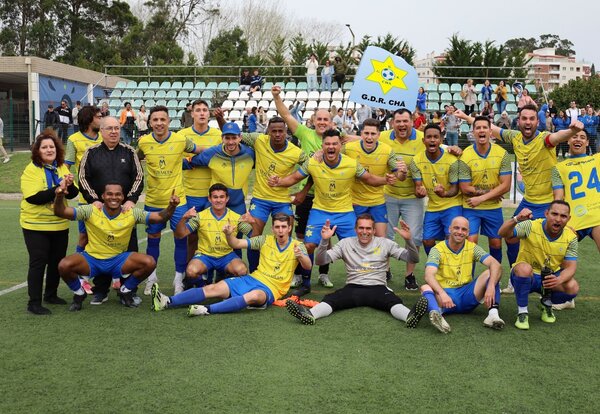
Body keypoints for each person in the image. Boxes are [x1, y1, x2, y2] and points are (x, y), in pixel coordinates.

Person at [455, 105, 584, 289]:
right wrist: (466, 117)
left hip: (549, 203)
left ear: (537, 122)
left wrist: (572, 131)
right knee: (510, 236)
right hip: (529, 201)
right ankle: (515, 277)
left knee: (556, 243)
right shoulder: (515, 137)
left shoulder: (544, 139)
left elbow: (558, 136)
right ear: (519, 121)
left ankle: (563, 286)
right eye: (524, 118)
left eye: (532, 118)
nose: (528, 122)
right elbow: (492, 128)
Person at [268, 129, 397, 295]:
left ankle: (367, 282)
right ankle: (306, 283)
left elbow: (370, 179)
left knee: (360, 246)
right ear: (322, 146)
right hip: (320, 211)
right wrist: (279, 182)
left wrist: (385, 179)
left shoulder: (351, 163)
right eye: (327, 144)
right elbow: (294, 178)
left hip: (345, 212)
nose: (331, 147)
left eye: (334, 144)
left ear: (340, 145)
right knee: (308, 245)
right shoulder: (313, 162)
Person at [150, 213, 312, 316]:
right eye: (277, 227)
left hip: (272, 289)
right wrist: (228, 235)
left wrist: (301, 256)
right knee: (213, 288)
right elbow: (237, 243)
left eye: (284, 227)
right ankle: (166, 301)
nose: (280, 230)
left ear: (289, 228)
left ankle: (206, 310)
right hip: (252, 279)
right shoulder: (264, 240)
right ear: (273, 229)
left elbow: (308, 266)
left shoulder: (297, 245)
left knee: (254, 296)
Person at [54, 182, 180, 311]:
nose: (114, 197)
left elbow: (159, 217)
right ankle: (79, 293)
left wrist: (171, 206)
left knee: (149, 262)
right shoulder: (91, 210)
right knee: (64, 265)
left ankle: (126, 290)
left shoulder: (131, 213)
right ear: (103, 196)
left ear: (123, 197)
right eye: (109, 194)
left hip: (119, 260)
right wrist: (59, 196)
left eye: (118, 194)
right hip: (92, 259)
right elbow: (60, 211)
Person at [286, 215, 428, 327]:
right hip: (353, 287)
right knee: (331, 299)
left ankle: (410, 317)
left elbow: (413, 259)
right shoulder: (345, 243)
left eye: (368, 228)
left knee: (393, 301)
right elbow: (321, 261)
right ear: (355, 229)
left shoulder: (385, 243)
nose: (364, 232)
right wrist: (324, 241)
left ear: (374, 230)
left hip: (378, 287)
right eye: (361, 228)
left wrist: (409, 240)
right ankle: (310, 314)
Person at [270, 85, 335, 292]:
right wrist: (276, 96)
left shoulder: (336, 138)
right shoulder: (305, 133)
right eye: (319, 119)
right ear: (313, 121)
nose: (322, 122)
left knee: (325, 237)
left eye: (326, 119)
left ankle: (323, 273)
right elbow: (286, 115)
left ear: (331, 122)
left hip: (328, 196)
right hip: (305, 196)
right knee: (300, 237)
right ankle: (298, 274)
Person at [78, 116, 145, 303]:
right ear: (101, 131)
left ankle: (128, 290)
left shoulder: (129, 151)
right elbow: (83, 178)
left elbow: (139, 177)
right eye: (109, 128)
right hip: (100, 212)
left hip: (124, 211)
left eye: (116, 128)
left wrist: (131, 200)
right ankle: (101, 289)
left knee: (129, 249)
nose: (114, 132)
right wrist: (94, 200)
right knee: (100, 249)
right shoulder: (91, 152)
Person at [137, 105, 203, 295]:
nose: (159, 123)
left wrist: (193, 161)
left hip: (178, 201)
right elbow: (135, 159)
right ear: (150, 123)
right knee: (153, 239)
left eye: (162, 119)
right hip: (153, 201)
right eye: (155, 120)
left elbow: (200, 150)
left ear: (169, 121)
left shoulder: (180, 140)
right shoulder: (144, 142)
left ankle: (178, 279)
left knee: (181, 238)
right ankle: (151, 278)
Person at [239, 117, 308, 272]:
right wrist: (220, 119)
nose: (277, 134)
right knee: (254, 237)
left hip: (282, 201)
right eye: (274, 131)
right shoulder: (258, 140)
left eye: (280, 131)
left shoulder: (296, 153)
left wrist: (303, 192)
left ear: (286, 132)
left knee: (285, 238)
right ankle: (255, 272)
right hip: (260, 199)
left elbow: (312, 169)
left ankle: (284, 273)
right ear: (268, 132)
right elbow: (235, 135)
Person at [21, 131, 79, 314]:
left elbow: (73, 194)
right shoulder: (31, 170)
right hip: (35, 225)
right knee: (38, 262)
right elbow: (34, 198)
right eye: (44, 147)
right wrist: (58, 188)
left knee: (56, 261)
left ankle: (51, 295)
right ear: (37, 151)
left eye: (52, 147)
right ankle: (34, 303)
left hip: (59, 224)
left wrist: (69, 184)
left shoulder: (61, 167)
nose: (49, 150)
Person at [498, 201, 578, 330]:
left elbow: (571, 267)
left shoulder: (571, 236)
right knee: (524, 269)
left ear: (568, 219)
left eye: (563, 216)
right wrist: (516, 219)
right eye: (554, 214)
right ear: (546, 213)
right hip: (527, 276)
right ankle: (522, 312)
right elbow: (502, 233)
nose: (558, 219)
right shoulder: (531, 225)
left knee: (572, 287)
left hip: (549, 279)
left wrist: (558, 280)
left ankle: (547, 303)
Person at [419, 216, 504, 333]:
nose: (460, 232)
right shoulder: (437, 249)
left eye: (464, 229)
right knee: (425, 287)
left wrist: (490, 286)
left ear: (468, 232)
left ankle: (493, 315)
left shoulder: (472, 247)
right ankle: (438, 315)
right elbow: (428, 275)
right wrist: (442, 293)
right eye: (456, 228)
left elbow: (496, 265)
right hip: (445, 298)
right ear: (449, 229)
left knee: (492, 272)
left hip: (467, 296)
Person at [380, 109, 425, 289]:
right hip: (388, 194)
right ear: (392, 123)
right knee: (385, 235)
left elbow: (439, 148)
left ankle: (409, 275)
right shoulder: (383, 137)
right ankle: (385, 270)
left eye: (405, 121)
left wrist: (454, 148)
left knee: (414, 237)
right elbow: (362, 140)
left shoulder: (422, 138)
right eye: (398, 121)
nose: (402, 124)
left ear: (412, 121)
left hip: (413, 197)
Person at [458, 116, 511, 265]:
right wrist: (492, 193)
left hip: (492, 207)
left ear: (490, 132)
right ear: (473, 132)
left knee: (496, 243)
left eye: (484, 127)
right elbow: (465, 188)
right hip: (471, 206)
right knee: (471, 242)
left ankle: (495, 275)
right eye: (478, 128)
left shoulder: (502, 154)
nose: (481, 130)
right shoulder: (465, 155)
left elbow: (506, 186)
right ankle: (468, 277)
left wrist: (481, 198)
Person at [174, 184, 251, 286]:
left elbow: (253, 235)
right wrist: (184, 218)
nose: (218, 200)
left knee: (241, 270)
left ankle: (226, 284)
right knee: (191, 271)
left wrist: (253, 222)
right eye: (215, 197)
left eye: (221, 197)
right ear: (209, 199)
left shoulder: (236, 217)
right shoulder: (200, 216)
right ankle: (204, 286)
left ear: (227, 199)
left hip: (226, 256)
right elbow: (180, 234)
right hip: (205, 255)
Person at [345, 118, 405, 238]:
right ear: (361, 134)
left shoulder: (387, 150)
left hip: (377, 202)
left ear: (378, 135)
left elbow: (399, 175)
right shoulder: (348, 149)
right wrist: (320, 152)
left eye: (373, 134)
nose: (369, 137)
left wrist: (402, 172)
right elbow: (332, 152)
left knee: (381, 239)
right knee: (357, 240)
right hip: (356, 202)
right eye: (366, 133)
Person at [178, 99, 223, 262]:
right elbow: (178, 163)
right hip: (191, 193)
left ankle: (211, 270)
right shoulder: (182, 135)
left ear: (209, 114)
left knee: (212, 235)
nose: (202, 113)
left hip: (213, 194)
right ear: (192, 114)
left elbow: (221, 159)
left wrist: (195, 160)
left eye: (205, 110)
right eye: (198, 110)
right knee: (192, 236)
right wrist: (196, 161)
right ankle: (191, 271)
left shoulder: (218, 135)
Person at [410, 123, 462, 256]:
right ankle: (436, 263)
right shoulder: (416, 161)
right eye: (429, 137)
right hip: (433, 207)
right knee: (427, 241)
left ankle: (451, 266)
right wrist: (420, 192)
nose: (432, 140)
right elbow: (418, 188)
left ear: (441, 140)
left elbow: (455, 189)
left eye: (435, 137)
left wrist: (444, 193)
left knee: (451, 239)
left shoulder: (452, 160)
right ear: (423, 140)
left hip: (452, 205)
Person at [185, 122, 255, 217]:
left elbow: (263, 164)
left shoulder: (250, 154)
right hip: (215, 203)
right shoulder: (213, 153)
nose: (230, 142)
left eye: (234, 138)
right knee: (204, 226)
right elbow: (191, 162)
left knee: (242, 226)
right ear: (222, 138)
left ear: (240, 137)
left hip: (238, 204)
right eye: (227, 138)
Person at [552, 130, 600, 258]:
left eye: (582, 137)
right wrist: (561, 221)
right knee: (556, 257)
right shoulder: (559, 168)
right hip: (573, 220)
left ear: (587, 142)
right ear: (568, 140)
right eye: (574, 136)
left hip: (597, 217)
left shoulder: (597, 159)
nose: (578, 139)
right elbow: (558, 198)